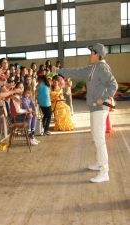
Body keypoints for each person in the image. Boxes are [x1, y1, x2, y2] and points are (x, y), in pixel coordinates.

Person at [52, 43, 118, 183]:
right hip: (94, 108)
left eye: (91, 53)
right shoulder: (91, 68)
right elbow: (75, 72)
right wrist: (58, 70)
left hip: (100, 109)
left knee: (100, 140)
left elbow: (113, 85)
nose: (90, 55)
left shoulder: (102, 68)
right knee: (95, 137)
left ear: (97, 55)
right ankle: (99, 162)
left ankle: (104, 171)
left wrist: (104, 98)